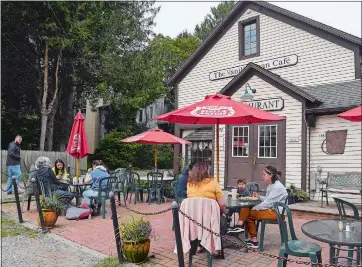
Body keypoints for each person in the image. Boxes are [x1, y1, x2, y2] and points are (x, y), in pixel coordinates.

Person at [235, 165, 288, 249]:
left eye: (264, 174)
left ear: (270, 175)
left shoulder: (277, 187)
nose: (262, 176)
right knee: (248, 207)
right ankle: (242, 228)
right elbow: (268, 199)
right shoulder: (272, 185)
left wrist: (255, 208)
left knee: (248, 212)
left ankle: (242, 229)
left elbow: (267, 204)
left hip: (276, 213)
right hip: (272, 210)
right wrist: (259, 197)